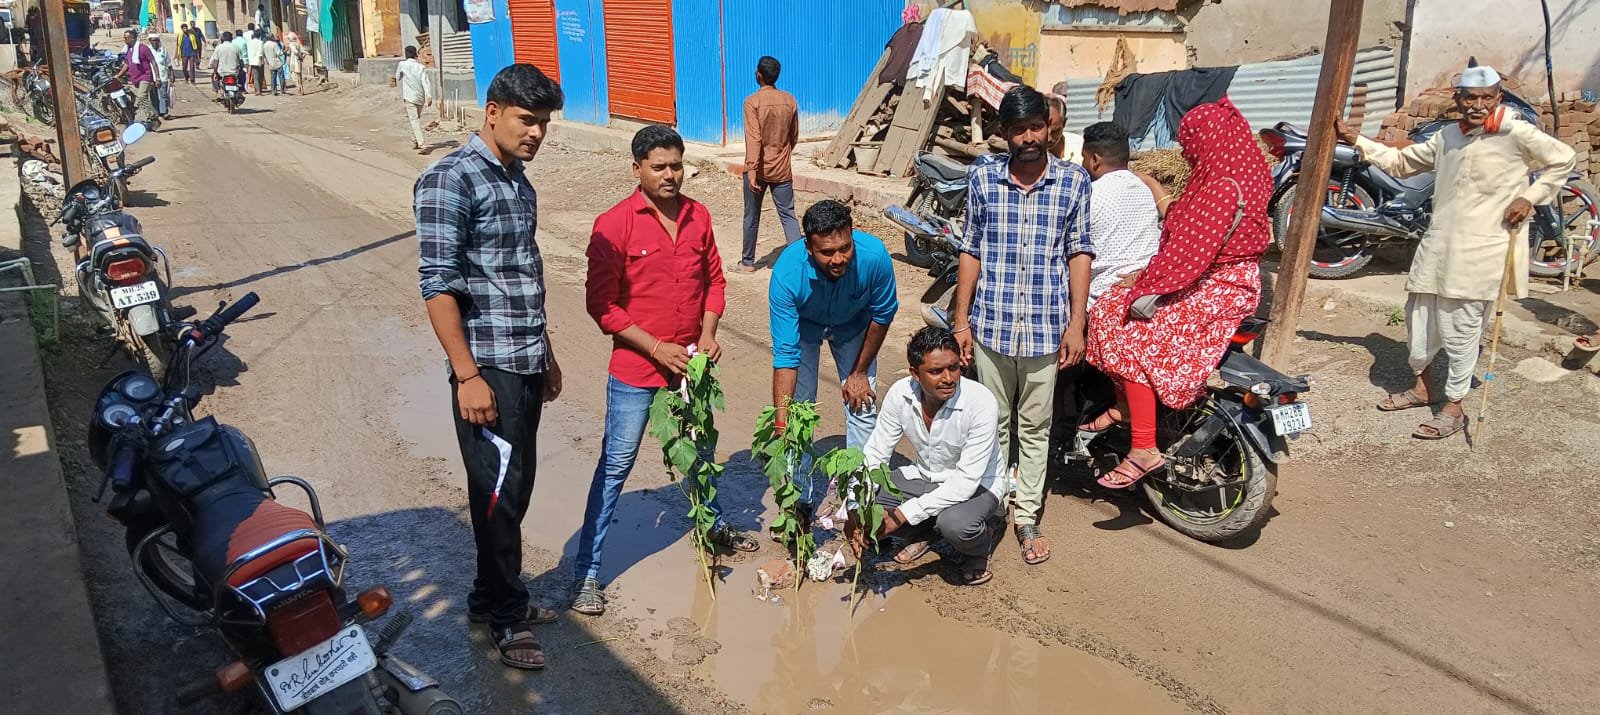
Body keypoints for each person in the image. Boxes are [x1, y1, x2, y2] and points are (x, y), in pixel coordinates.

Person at [415, 64, 567, 671]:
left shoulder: (517, 182)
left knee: (515, 485)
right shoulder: (449, 179)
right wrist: (467, 375)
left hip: (524, 359)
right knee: (498, 494)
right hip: (487, 367)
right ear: (492, 112)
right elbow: (437, 284)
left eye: (544, 123)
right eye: (527, 120)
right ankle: (506, 617)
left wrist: (546, 353)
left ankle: (490, 596)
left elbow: (521, 275)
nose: (537, 133)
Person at [572, 124, 758, 616]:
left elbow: (715, 283)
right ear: (637, 169)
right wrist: (656, 348)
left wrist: (709, 333)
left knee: (701, 453)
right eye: (659, 167)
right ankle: (587, 572)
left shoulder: (699, 216)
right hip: (636, 370)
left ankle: (711, 526)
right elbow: (602, 307)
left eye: (677, 165)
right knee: (617, 465)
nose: (670, 175)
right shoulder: (613, 225)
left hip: (690, 366)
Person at [1341, 63, 1577, 440]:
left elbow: (1563, 159)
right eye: (1470, 98)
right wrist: (1358, 140)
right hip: (1438, 243)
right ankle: (1423, 388)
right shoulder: (1449, 135)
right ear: (1458, 99)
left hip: (1482, 248)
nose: (1478, 105)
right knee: (1418, 319)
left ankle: (1454, 407)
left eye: (1486, 97)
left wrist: (1530, 197)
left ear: (1498, 98)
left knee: (1461, 329)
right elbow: (1402, 162)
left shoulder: (1516, 131)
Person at [1083, 98, 1272, 487]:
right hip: (1226, 280)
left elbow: (1189, 255)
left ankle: (1143, 447)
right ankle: (1125, 407)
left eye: (1190, 145)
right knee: (1116, 308)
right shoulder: (1243, 174)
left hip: (1217, 286)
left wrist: (1144, 282)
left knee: (1121, 323)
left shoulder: (1219, 187)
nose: (1187, 154)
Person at [952, 85, 1091, 567]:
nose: (1029, 137)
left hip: (1045, 329)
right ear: (1004, 133)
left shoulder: (1073, 182)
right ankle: (992, 507)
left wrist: (1077, 322)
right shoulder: (983, 178)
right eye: (1018, 129)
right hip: (991, 325)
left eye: (1036, 127)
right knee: (992, 424)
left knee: (1035, 427)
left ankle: (1027, 515)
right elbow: (970, 248)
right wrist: (961, 320)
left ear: (1050, 129)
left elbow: (1079, 252)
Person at [768, 200, 899, 518]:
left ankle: (858, 503)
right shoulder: (787, 273)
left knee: (863, 407)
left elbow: (882, 315)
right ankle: (799, 502)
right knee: (799, 415)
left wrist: (860, 372)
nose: (838, 259)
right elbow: (786, 356)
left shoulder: (874, 257)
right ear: (809, 248)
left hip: (854, 326)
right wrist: (781, 422)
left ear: (852, 235)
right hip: (805, 328)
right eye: (827, 252)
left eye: (845, 248)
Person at [847, 327, 1006, 586]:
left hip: (978, 485)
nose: (948, 378)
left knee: (955, 525)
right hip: (926, 477)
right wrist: (855, 508)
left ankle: (982, 541)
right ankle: (929, 530)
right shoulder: (900, 394)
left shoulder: (981, 402)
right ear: (915, 374)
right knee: (870, 508)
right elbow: (875, 453)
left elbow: (965, 482)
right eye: (936, 371)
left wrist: (901, 515)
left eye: (954, 368)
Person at [1081, 122, 1162, 307]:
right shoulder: (1145, 189)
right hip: (1144, 298)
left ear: (1094, 159)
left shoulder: (1089, 195)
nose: (1082, 164)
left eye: (1083, 158)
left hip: (1100, 300)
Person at [732, 56, 802, 273]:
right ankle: (799, 262)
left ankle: (747, 263)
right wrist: (782, 153)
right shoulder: (789, 100)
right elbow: (794, 135)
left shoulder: (752, 102)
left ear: (758, 75)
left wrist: (752, 170)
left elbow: (754, 139)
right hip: (781, 168)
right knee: (788, 214)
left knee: (751, 215)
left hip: (758, 169)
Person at [116, 30, 160, 127]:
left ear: (132, 38)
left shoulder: (143, 48)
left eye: (126, 38)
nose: (124, 40)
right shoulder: (129, 50)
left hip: (146, 77)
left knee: (141, 96)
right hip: (136, 79)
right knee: (137, 101)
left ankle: (153, 116)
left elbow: (153, 62)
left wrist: (157, 78)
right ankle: (148, 119)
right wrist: (118, 76)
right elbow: (127, 64)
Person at [395, 46, 433, 153]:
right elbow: (425, 82)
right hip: (420, 97)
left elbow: (397, 77)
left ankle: (421, 144)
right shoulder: (421, 67)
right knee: (415, 119)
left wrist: (402, 75)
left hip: (409, 97)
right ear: (415, 54)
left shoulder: (402, 64)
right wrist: (429, 96)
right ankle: (415, 141)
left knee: (414, 120)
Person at [1045, 86, 1084, 165]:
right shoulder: (1031, 152)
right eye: (1044, 131)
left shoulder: (1080, 147)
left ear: (1064, 123)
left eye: (1055, 131)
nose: (1049, 138)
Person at [149, 35, 173, 121]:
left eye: (156, 40)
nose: (155, 42)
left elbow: (169, 63)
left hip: (163, 76)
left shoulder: (163, 50)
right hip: (151, 77)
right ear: (150, 41)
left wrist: (171, 75)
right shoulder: (148, 50)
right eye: (153, 40)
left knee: (163, 95)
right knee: (154, 96)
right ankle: (156, 112)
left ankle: (164, 112)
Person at [247, 29, 266, 96]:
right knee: (260, 76)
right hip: (259, 61)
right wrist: (261, 61)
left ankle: (257, 90)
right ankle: (259, 90)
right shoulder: (260, 42)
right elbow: (260, 53)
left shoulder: (250, 42)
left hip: (252, 62)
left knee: (255, 76)